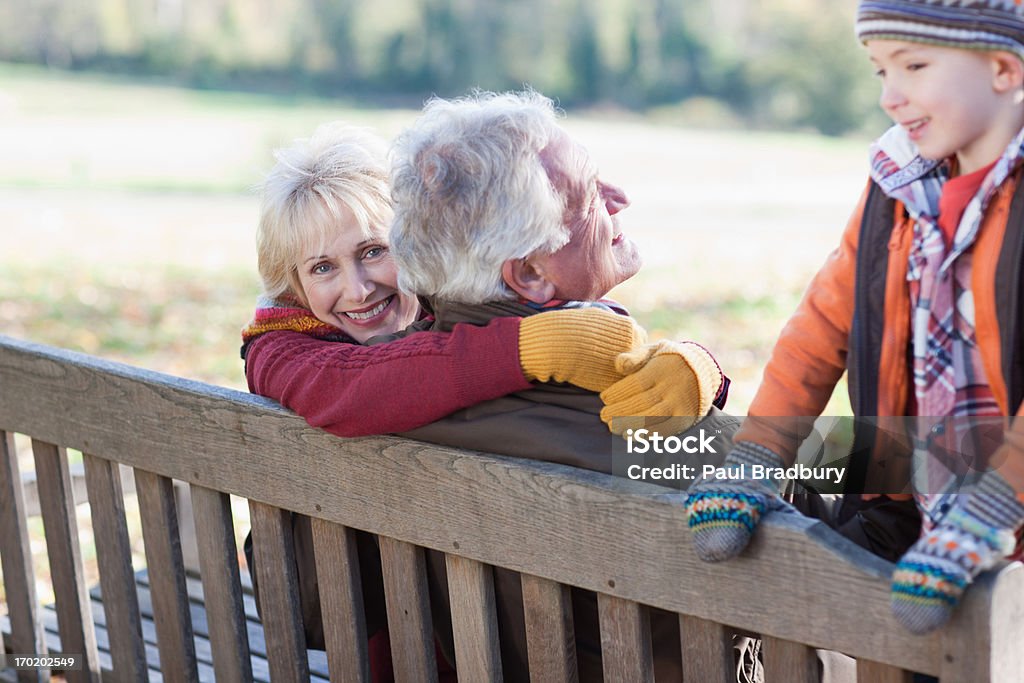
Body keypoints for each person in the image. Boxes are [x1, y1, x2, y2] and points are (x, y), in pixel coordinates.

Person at [240, 117, 726, 678]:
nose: (357, 288)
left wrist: (698, 366)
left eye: (374, 251)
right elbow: (812, 462)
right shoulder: (343, 372)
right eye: (323, 268)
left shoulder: (407, 373)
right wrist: (534, 346)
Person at [683, 0, 1024, 637]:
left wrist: (992, 510)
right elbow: (819, 328)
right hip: (905, 510)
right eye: (879, 72)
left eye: (915, 66)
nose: (892, 96)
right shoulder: (896, 188)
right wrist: (759, 455)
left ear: (1004, 67)